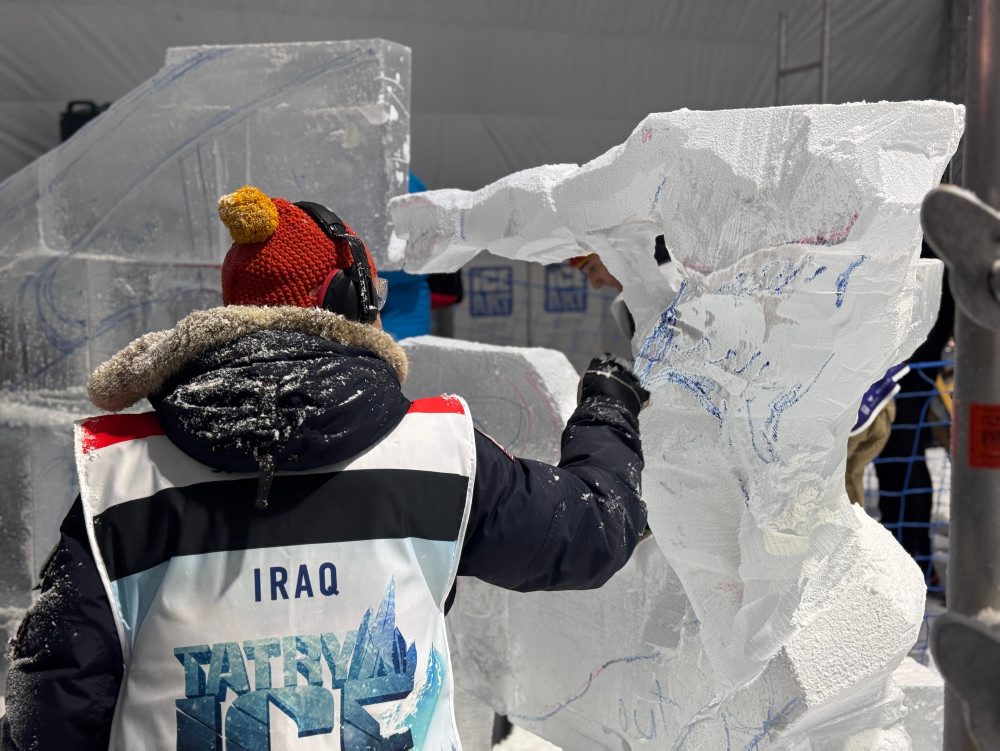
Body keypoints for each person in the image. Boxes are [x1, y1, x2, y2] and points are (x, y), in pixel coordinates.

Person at [1, 186, 649, 751]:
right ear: (346, 298)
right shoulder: (435, 453)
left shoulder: (123, 478)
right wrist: (608, 411)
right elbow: (590, 529)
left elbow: (53, 703)